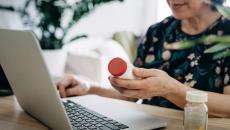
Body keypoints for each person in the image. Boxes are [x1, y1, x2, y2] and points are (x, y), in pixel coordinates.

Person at [57, 0, 230, 117]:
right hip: (152, 123)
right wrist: (90, 88)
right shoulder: (157, 32)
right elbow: (132, 94)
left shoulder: (226, 36)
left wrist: (170, 89)